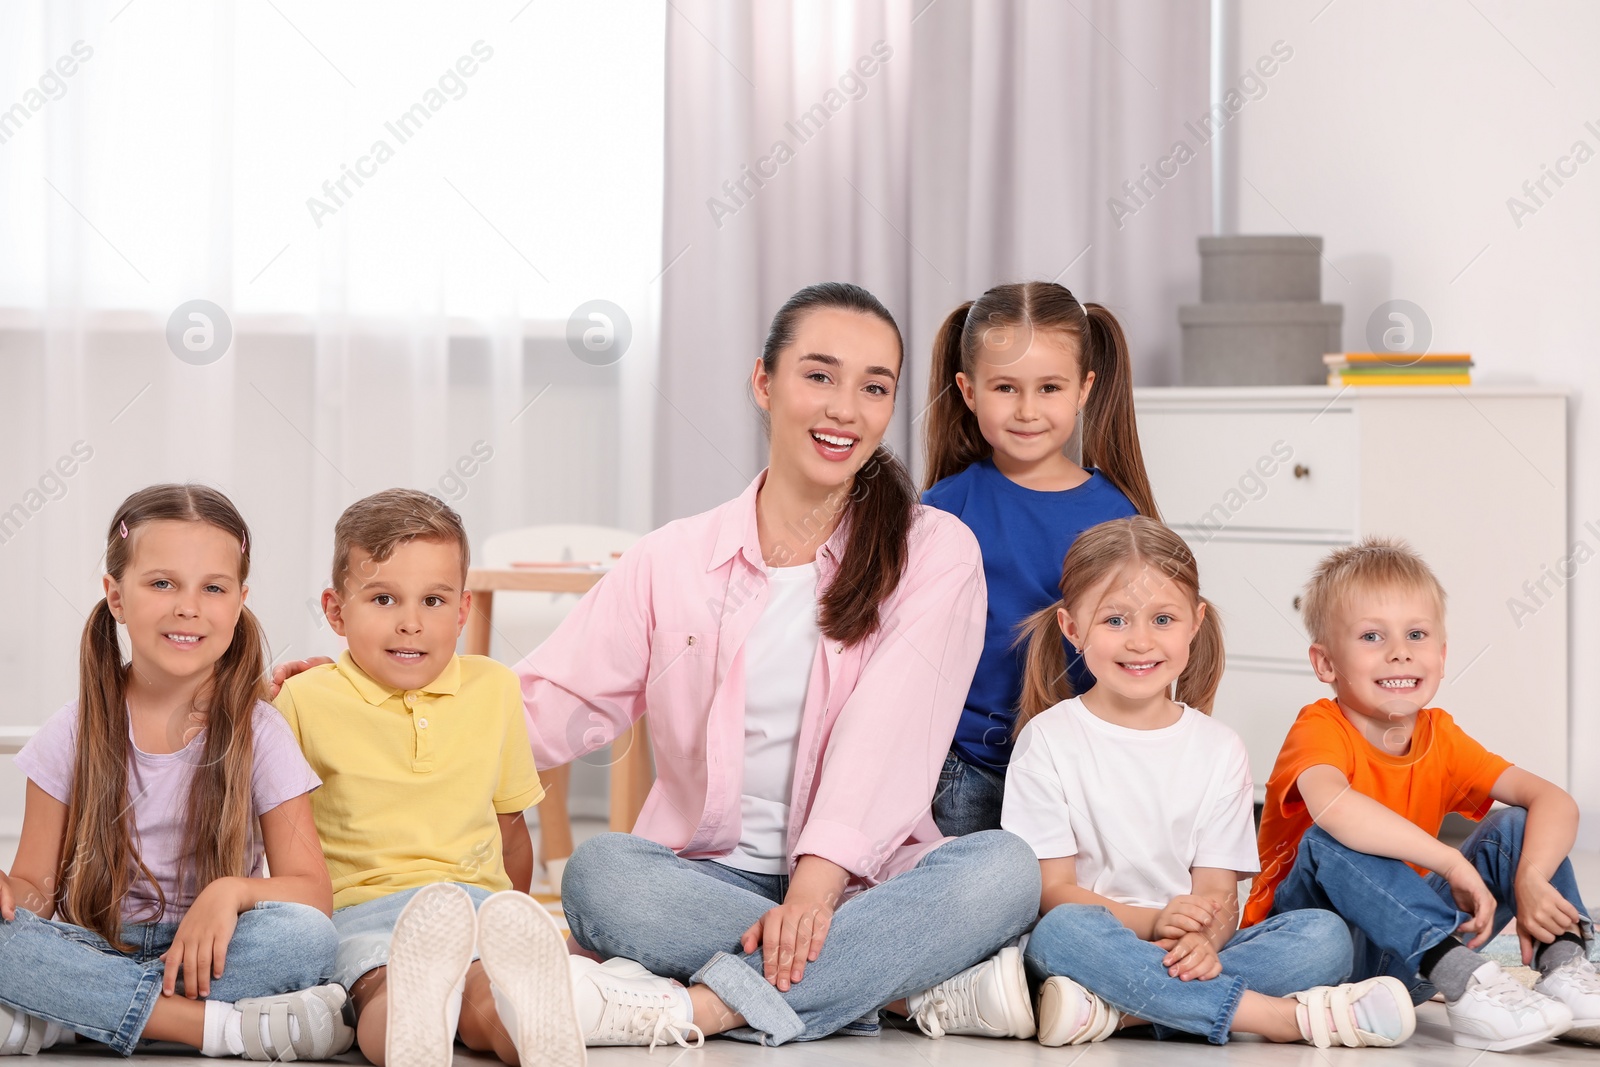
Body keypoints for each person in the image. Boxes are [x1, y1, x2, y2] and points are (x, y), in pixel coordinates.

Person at [514, 281, 1041, 1047]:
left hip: (868, 885)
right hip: (706, 878)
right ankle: (891, 990)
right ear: (765, 382)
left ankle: (701, 1007)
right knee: (599, 873)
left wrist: (816, 893)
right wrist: (359, 689)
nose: (844, 409)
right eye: (819, 375)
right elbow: (548, 697)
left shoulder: (933, 550)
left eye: (874, 387)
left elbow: (887, 735)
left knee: (1005, 869)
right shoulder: (674, 558)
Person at [1007, 516, 1416, 1048]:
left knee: (1323, 937)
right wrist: (1155, 923)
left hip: (1188, 953)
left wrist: (1204, 938)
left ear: (1195, 623)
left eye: (1163, 619)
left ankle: (1117, 1012)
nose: (1140, 641)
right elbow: (1054, 894)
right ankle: (1277, 1018)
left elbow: (1220, 896)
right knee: (1062, 935)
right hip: (1099, 943)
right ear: (1071, 628)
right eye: (1114, 620)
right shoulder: (1048, 740)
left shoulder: (1218, 748)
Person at [0, 485, 350, 1060]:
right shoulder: (70, 732)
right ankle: (215, 1031)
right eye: (162, 583)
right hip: (95, 944)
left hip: (213, 954)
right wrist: (10, 895)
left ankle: (67, 1017)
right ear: (115, 596)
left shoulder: (259, 732)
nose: (188, 606)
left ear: (239, 603)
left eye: (213, 588)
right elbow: (35, 891)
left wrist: (231, 891)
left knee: (306, 941)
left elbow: (312, 895)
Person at [1245, 537, 1600, 1052]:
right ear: (1325, 664)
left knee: (1517, 829)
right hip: (1313, 947)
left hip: (1405, 955)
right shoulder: (1319, 727)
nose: (1399, 652)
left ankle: (1564, 968)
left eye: (1416, 634)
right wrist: (1451, 864)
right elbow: (1335, 810)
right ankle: (1466, 979)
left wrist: (1531, 877)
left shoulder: (1440, 735)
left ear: (1440, 653)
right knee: (1329, 839)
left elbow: (1553, 800)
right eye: (1372, 636)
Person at [272, 490, 581, 1067]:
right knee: (382, 990)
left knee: (490, 992)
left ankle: (537, 1031)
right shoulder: (302, 698)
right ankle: (415, 1030)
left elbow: (510, 831)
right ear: (336, 611)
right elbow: (266, 829)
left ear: (463, 610)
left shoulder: (494, 689)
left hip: (476, 908)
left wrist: (508, 915)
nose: (411, 623)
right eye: (384, 598)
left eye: (433, 601)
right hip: (362, 912)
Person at [920, 282, 1156, 837]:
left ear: (1083, 389)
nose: (1027, 411)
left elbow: (1137, 646)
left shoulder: (1119, 516)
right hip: (966, 770)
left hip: (1083, 770)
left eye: (1049, 387)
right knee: (982, 905)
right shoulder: (941, 509)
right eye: (1006, 387)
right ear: (969, 390)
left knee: (1072, 909)